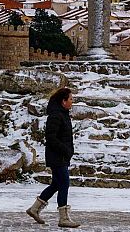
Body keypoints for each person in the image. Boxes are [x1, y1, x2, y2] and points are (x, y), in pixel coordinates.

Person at [26, 87, 80, 228]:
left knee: (57, 184)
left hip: (60, 156)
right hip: (57, 156)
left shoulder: (62, 114)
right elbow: (51, 137)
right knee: (64, 184)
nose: (72, 102)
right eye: (70, 99)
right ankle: (63, 218)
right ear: (63, 101)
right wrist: (65, 150)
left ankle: (34, 209)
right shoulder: (56, 115)